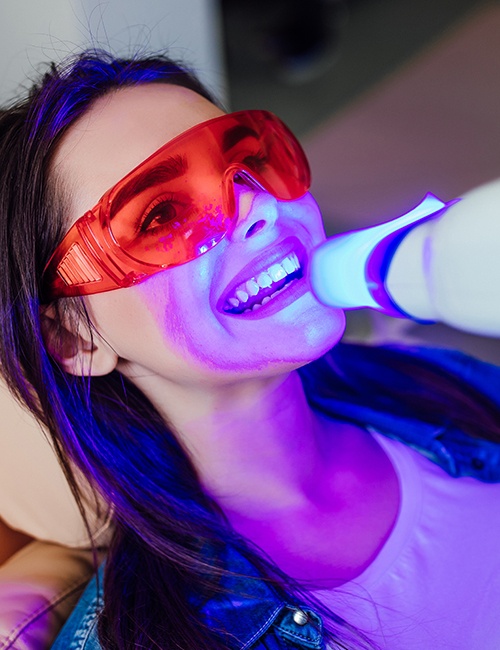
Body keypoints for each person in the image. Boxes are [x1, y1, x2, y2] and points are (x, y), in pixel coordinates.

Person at [0, 50, 499, 650]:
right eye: (161, 214)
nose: (259, 205)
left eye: (250, 160)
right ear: (74, 337)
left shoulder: (441, 381)